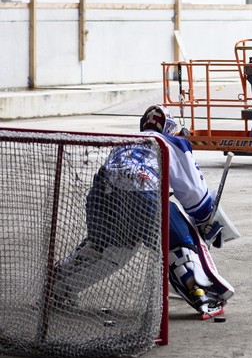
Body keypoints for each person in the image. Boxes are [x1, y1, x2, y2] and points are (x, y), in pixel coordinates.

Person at [53, 105, 234, 319]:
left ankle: (56, 288)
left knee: (109, 250)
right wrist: (206, 219)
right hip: (142, 194)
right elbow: (194, 193)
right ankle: (203, 296)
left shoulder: (126, 141)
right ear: (169, 127)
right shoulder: (171, 142)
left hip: (103, 195)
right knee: (179, 243)